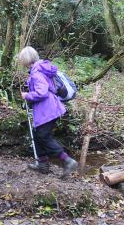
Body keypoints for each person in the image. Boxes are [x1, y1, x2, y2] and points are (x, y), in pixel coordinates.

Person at [18, 46, 78, 177]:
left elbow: (42, 92)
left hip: (47, 109)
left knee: (43, 136)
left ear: (26, 60)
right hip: (50, 108)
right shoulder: (41, 69)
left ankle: (67, 161)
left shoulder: (36, 73)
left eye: (21, 59)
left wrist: (27, 95)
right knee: (37, 133)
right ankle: (42, 164)